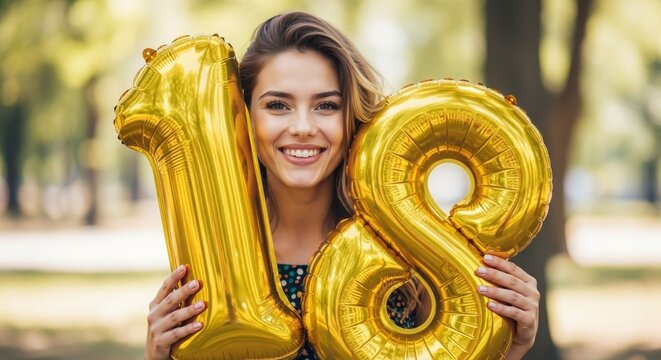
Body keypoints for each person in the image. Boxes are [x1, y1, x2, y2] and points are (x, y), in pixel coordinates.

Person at [144, 11, 540, 360]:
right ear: (244, 118)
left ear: (351, 114)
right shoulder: (216, 257)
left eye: (326, 105)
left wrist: (511, 346)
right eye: (277, 105)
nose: (302, 127)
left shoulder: (405, 257)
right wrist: (158, 354)